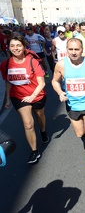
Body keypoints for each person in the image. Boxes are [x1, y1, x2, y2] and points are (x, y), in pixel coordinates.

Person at [52, 38, 85, 173]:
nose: (74, 52)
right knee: (80, 133)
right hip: (72, 105)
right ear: (66, 50)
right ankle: (84, 137)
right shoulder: (61, 65)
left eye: (77, 49)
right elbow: (54, 81)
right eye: (71, 49)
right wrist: (60, 92)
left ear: (82, 50)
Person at [0, 35, 49, 164]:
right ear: (9, 48)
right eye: (12, 46)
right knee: (28, 124)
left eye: (18, 45)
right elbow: (8, 82)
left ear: (23, 46)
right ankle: (34, 151)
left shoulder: (32, 61)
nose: (15, 48)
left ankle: (43, 131)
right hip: (19, 97)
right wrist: (8, 99)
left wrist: (32, 96)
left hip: (37, 95)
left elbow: (42, 83)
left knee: (40, 117)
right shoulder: (5, 64)